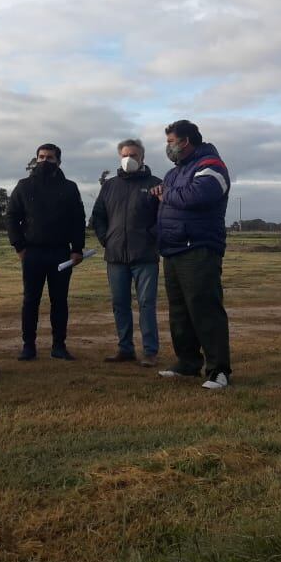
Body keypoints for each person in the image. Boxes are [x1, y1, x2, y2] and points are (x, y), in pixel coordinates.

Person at [151, 120, 232, 389]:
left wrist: (166, 195)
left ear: (185, 141)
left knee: (205, 309)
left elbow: (197, 196)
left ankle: (218, 371)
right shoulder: (175, 172)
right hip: (173, 249)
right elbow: (171, 197)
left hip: (198, 248)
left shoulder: (211, 165)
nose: (168, 147)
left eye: (170, 141)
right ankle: (187, 363)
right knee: (180, 312)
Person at [5, 144, 86, 361]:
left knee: (59, 301)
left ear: (58, 162)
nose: (44, 161)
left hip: (61, 253)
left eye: (49, 158)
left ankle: (59, 345)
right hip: (32, 253)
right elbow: (11, 216)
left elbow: (78, 220)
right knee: (31, 300)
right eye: (41, 157)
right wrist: (19, 246)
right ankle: (28, 345)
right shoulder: (24, 186)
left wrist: (77, 249)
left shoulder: (70, 188)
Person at [91, 138, 162, 367]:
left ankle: (150, 352)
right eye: (124, 155)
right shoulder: (109, 186)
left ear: (142, 158)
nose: (128, 159)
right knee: (120, 304)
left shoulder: (156, 184)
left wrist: (152, 236)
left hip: (145, 257)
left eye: (133, 155)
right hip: (115, 257)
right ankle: (125, 349)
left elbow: (165, 217)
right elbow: (98, 216)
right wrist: (106, 239)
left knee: (146, 304)